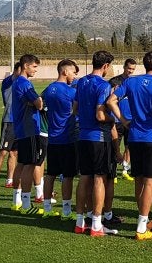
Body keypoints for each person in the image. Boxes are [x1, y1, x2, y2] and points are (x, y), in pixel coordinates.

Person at [107, 51, 152, 241]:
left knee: (138, 179)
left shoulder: (131, 82)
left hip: (135, 136)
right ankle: (141, 226)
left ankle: (143, 221)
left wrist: (123, 119)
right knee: (150, 181)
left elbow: (111, 100)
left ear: (144, 65)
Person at [74, 51, 121, 237]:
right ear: (105, 66)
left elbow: (75, 109)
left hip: (83, 136)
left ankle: (79, 223)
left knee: (84, 178)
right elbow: (100, 115)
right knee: (99, 179)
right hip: (98, 138)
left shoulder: (82, 82)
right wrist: (113, 120)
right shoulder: (103, 85)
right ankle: (96, 225)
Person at [41, 59, 79, 220]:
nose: (75, 76)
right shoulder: (71, 92)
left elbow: (40, 104)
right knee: (68, 176)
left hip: (53, 138)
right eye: (73, 72)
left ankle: (47, 208)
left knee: (50, 174)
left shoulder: (49, 89)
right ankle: (66, 211)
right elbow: (77, 111)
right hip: (67, 138)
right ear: (65, 71)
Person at [11, 54, 45, 215]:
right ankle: (25, 204)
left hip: (21, 128)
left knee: (22, 164)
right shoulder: (24, 83)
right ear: (25, 66)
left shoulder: (18, 82)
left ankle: (16, 200)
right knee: (30, 165)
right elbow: (39, 105)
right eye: (34, 67)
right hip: (29, 129)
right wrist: (39, 100)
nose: (35, 70)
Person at [0, 62, 20, 193]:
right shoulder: (9, 81)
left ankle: (9, 179)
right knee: (3, 152)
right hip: (9, 121)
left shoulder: (22, 83)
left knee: (14, 153)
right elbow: (13, 79)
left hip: (20, 122)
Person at [109, 58, 137, 181]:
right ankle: (113, 172)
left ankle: (125, 170)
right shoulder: (114, 81)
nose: (130, 71)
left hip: (130, 120)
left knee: (128, 146)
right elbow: (108, 100)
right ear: (124, 67)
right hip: (117, 120)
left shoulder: (134, 82)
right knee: (115, 147)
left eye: (133, 69)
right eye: (129, 68)